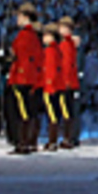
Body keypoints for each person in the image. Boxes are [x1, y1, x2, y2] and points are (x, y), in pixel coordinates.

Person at [6, 1, 43, 155]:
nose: (17, 19)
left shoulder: (25, 35)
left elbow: (20, 56)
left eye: (19, 16)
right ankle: (27, 142)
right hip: (29, 78)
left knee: (21, 112)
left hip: (21, 78)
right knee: (27, 111)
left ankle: (22, 142)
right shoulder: (34, 36)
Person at [41, 23, 64, 152]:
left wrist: (48, 85)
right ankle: (53, 140)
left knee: (52, 116)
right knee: (55, 115)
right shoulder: (57, 50)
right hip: (57, 86)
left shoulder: (50, 51)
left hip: (50, 87)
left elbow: (50, 70)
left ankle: (52, 141)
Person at [58, 16, 81, 149]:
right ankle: (71, 137)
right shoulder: (70, 44)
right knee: (70, 111)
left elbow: (66, 64)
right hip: (72, 82)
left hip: (67, 82)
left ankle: (68, 138)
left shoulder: (66, 45)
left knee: (67, 111)